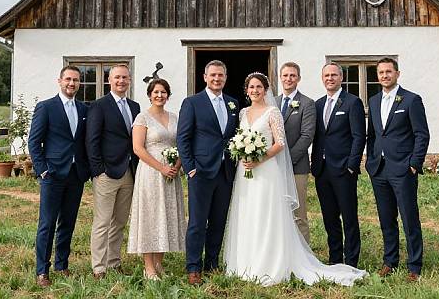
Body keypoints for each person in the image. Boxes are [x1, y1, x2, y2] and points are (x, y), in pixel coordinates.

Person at [224, 72, 367, 286]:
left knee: (267, 215)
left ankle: (270, 263)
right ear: (246, 90)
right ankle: (247, 262)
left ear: (266, 90)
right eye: (251, 87)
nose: (255, 91)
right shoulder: (243, 113)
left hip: (266, 170)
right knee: (248, 213)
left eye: (259, 87)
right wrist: (243, 154)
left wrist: (258, 158)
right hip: (246, 172)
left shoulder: (272, 112)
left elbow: (280, 143)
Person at [366, 57, 430, 282]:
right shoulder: (373, 101)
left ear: (397, 74)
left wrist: (414, 163)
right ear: (377, 76)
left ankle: (415, 266)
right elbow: (372, 135)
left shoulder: (411, 100)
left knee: (409, 218)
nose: (384, 75)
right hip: (379, 169)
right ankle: (389, 261)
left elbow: (422, 134)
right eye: (381, 72)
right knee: (386, 219)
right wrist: (370, 161)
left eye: (388, 72)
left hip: (403, 168)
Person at [177, 60, 239, 285]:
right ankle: (194, 267)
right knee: (197, 222)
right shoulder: (192, 103)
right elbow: (183, 137)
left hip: (225, 171)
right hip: (201, 171)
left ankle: (212, 263)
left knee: (218, 220)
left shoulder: (233, 103)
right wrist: (190, 167)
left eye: (220, 75)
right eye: (212, 75)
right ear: (204, 77)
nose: (216, 79)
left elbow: (232, 136)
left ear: (225, 77)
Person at [28, 65, 90, 287]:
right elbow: (34, 142)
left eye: (75, 80)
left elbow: (83, 142)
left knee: (68, 223)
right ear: (60, 81)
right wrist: (42, 169)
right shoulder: (46, 107)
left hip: (76, 174)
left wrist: (87, 169)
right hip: (52, 174)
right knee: (47, 223)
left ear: (79, 83)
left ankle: (61, 265)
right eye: (68, 80)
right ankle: (42, 271)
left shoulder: (84, 109)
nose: (71, 83)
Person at [85, 64, 141, 279]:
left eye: (125, 78)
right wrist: (98, 170)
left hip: (129, 171)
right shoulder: (99, 106)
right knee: (102, 221)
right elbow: (92, 140)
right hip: (106, 173)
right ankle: (98, 267)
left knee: (119, 221)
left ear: (130, 80)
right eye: (117, 77)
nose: (121, 81)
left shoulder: (135, 107)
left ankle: (114, 262)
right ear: (110, 80)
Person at [127, 78, 186, 279]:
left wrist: (176, 166)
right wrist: (161, 167)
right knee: (150, 216)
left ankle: (159, 264)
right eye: (156, 92)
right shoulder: (142, 117)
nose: (159, 95)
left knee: (165, 216)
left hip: (171, 174)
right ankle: (149, 267)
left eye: (163, 92)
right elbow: (138, 148)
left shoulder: (175, 117)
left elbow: (181, 144)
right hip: (151, 173)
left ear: (168, 95)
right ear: (149, 95)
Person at [310, 63, 366, 267]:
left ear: (341, 78)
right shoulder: (317, 104)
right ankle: (335, 258)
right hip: (321, 170)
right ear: (322, 78)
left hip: (343, 169)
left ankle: (351, 260)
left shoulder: (352, 103)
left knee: (349, 217)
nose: (330, 78)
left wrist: (352, 165)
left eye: (334, 75)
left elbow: (359, 136)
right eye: (326, 75)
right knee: (329, 218)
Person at [275, 62, 316, 243]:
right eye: (285, 75)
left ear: (298, 78)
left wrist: (287, 160)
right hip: (273, 167)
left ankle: (304, 257)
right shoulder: (272, 102)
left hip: (296, 166)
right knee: (277, 214)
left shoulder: (307, 103)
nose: (288, 79)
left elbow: (307, 136)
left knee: (298, 214)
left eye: (292, 75)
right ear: (280, 77)